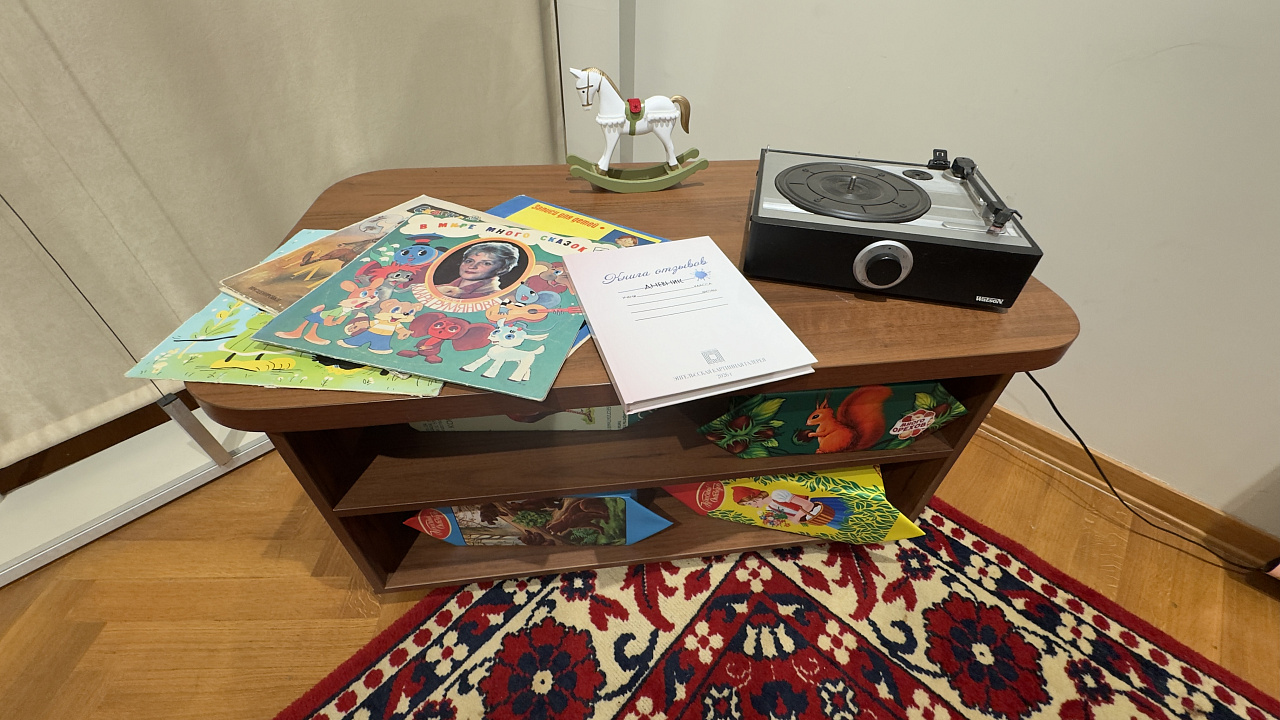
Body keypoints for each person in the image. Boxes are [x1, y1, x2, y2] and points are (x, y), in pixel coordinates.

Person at [436, 242, 520, 300]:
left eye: (486, 263)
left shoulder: (494, 298)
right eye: (469, 261)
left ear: (502, 269)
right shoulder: (442, 287)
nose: (472, 266)